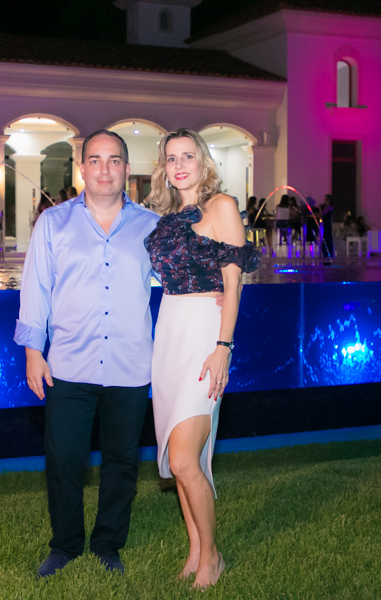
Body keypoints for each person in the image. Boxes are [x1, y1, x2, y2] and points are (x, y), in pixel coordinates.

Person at [15, 130, 160, 579]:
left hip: (130, 365)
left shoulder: (152, 226)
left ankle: (107, 544)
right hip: (68, 365)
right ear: (82, 169)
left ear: (126, 169)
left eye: (114, 160)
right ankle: (65, 546)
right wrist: (33, 351)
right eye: (95, 160)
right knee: (63, 461)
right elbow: (36, 288)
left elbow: (178, 285)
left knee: (122, 462)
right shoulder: (53, 223)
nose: (104, 169)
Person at [144, 129, 259, 589]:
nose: (179, 165)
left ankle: (213, 557)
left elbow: (233, 286)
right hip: (169, 332)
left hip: (204, 336)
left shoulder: (223, 206)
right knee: (178, 461)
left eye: (187, 156)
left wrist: (223, 348)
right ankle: (194, 551)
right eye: (171, 158)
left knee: (185, 459)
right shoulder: (166, 218)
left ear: (203, 162)